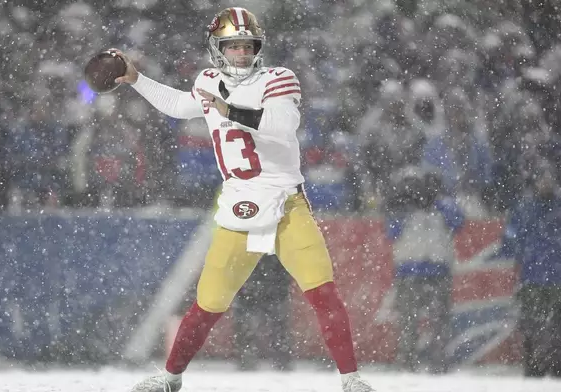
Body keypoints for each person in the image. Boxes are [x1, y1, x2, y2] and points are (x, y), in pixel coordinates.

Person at [112, 7, 375, 392]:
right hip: (238, 204)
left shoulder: (277, 78)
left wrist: (229, 109)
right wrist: (136, 79)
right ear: (217, 49)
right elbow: (179, 105)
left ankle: (351, 380)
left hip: (285, 201)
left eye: (247, 46)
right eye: (232, 46)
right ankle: (170, 379)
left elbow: (283, 125)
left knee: (322, 290)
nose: (241, 53)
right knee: (208, 304)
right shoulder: (207, 81)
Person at [385, 166, 464, 373]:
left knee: (439, 324)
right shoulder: (402, 208)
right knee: (408, 325)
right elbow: (391, 232)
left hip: (437, 272)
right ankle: (407, 365)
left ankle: (439, 365)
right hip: (409, 272)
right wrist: (407, 204)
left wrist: (436, 201)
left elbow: (458, 222)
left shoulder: (444, 208)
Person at [496, 162, 561, 377]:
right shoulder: (524, 209)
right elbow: (508, 241)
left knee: (553, 327)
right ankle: (535, 367)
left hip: (555, 280)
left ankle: (554, 367)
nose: (546, 183)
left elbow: (509, 242)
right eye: (542, 178)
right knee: (532, 326)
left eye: (549, 178)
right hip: (532, 279)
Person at [233, 253, 292, 371]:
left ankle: (248, 357)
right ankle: (281, 358)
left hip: (255, 286)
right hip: (267, 286)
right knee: (277, 324)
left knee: (247, 323)